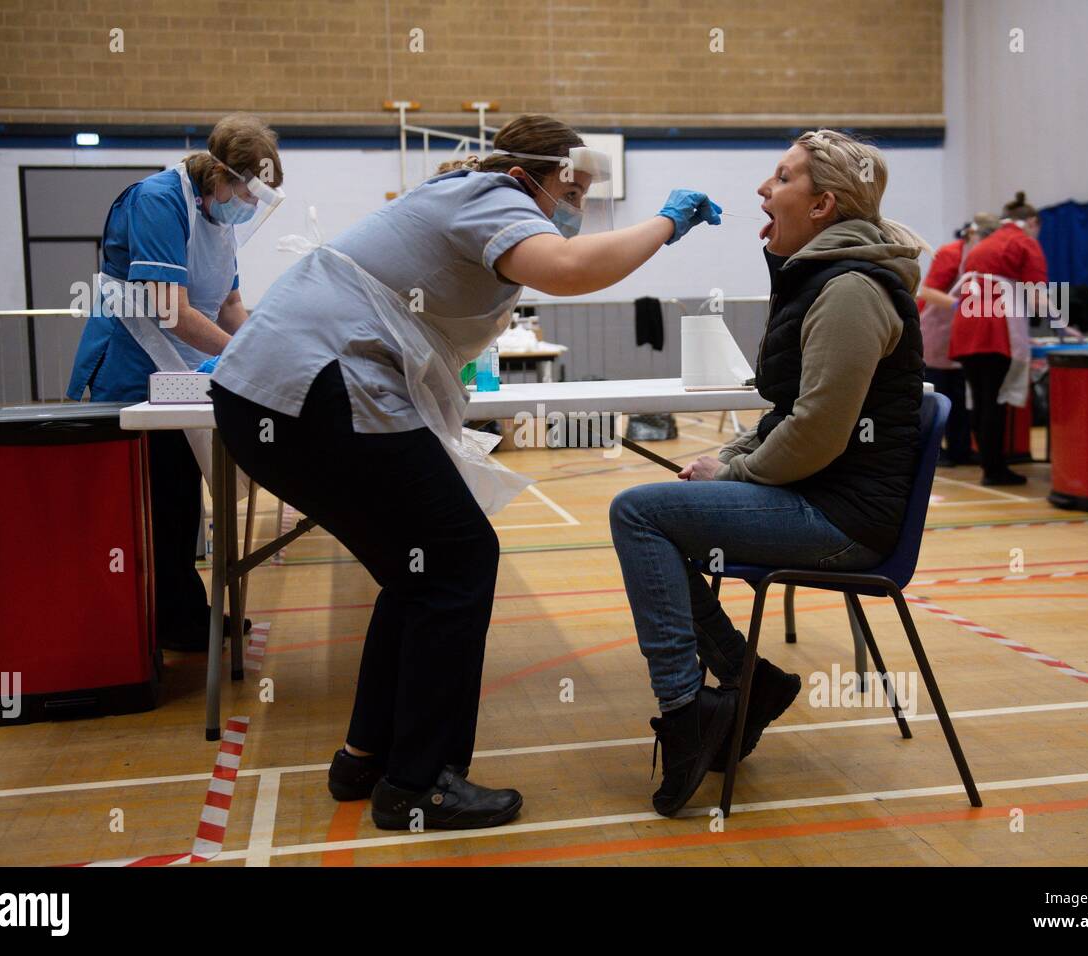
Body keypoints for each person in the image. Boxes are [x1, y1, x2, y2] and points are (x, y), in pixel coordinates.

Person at [208, 114, 721, 831]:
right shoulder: (492, 197)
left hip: (276, 392)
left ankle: (370, 756)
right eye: (569, 189)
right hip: (310, 388)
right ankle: (419, 783)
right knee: (459, 560)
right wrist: (665, 223)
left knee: (420, 571)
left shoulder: (466, 202)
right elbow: (571, 271)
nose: (573, 207)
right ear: (526, 174)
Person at [609, 129, 929, 816]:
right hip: (819, 500)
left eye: (781, 178)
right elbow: (789, 413)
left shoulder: (851, 290)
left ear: (823, 206)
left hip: (844, 521)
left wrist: (732, 477)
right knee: (656, 516)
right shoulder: (828, 279)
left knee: (639, 513)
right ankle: (746, 683)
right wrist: (727, 461)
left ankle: (694, 709)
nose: (762, 190)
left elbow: (816, 432)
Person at [67, 113, 285, 651]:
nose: (250, 206)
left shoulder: (218, 220)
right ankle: (167, 623)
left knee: (182, 500)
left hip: (178, 374)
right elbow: (172, 312)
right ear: (219, 176)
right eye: (248, 192)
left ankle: (184, 615)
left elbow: (230, 304)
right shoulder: (157, 201)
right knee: (159, 501)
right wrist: (244, 357)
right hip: (133, 368)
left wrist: (270, 347)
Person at [948, 191, 1048, 486]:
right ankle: (994, 470)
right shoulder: (1025, 243)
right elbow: (1037, 296)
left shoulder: (982, 245)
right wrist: (1066, 321)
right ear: (1031, 221)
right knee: (995, 401)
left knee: (979, 400)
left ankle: (990, 465)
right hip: (994, 329)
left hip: (966, 326)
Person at [918, 212, 999, 466]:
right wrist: (959, 307)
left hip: (961, 335)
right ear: (973, 234)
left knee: (960, 398)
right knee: (939, 395)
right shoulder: (951, 253)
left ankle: (960, 449)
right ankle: (935, 451)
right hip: (937, 332)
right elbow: (927, 291)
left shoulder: (983, 258)